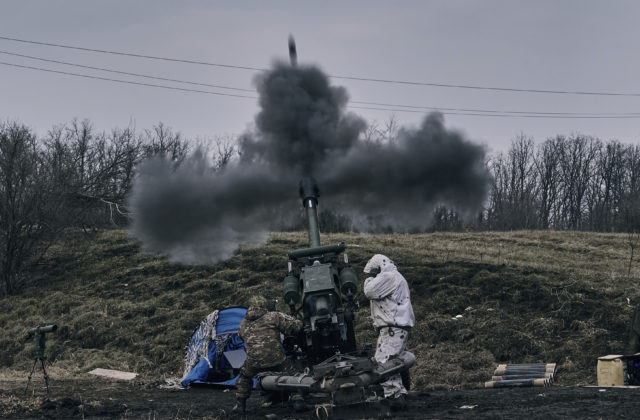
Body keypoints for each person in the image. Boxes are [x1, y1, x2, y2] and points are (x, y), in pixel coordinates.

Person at [232, 295, 303, 414]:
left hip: (253, 362)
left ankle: (240, 404)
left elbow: (240, 335)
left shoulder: (243, 323)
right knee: (294, 373)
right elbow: (293, 328)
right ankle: (298, 401)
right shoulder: (273, 316)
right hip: (276, 359)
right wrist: (299, 322)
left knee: (244, 377)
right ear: (265, 305)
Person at [363, 254, 415, 408]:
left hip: (393, 326)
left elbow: (369, 291)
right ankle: (401, 393)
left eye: (373, 272)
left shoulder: (388, 276)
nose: (372, 276)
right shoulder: (395, 276)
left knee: (384, 362)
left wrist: (368, 279)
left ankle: (393, 396)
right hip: (397, 326)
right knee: (393, 362)